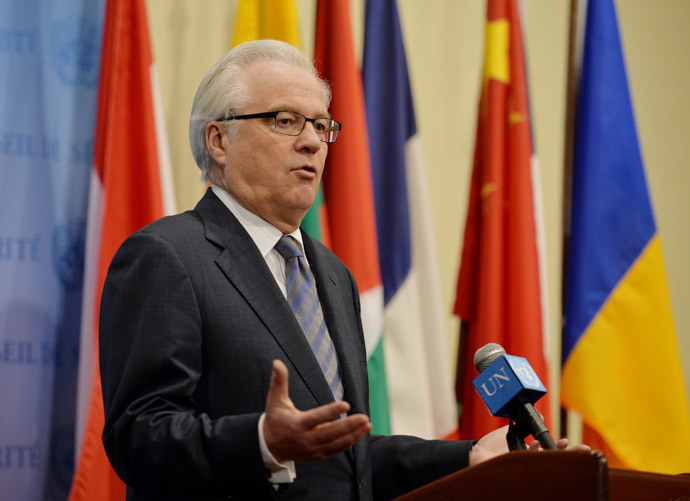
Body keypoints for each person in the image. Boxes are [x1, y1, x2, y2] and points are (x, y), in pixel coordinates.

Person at [99, 39, 579, 501]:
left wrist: (470, 457)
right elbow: (138, 436)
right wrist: (262, 441)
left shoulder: (331, 275)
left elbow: (348, 462)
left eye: (321, 125)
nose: (312, 141)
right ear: (219, 139)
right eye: (285, 121)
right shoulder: (166, 256)